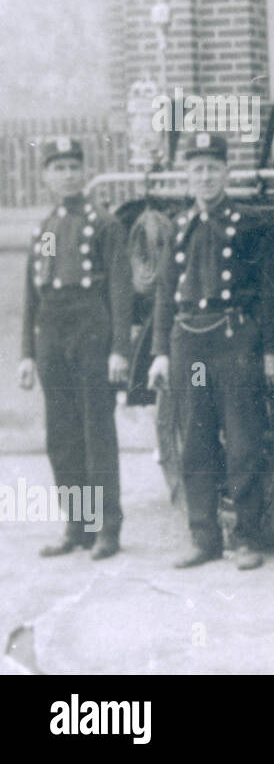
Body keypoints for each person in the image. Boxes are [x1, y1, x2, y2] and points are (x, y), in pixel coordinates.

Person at [146, 133, 274, 570]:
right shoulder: (180, 227)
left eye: (212, 168)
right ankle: (203, 537)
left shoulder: (250, 224)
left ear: (226, 173)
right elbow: (165, 294)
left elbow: (267, 293)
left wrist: (270, 350)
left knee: (243, 440)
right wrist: (159, 353)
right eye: (197, 170)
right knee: (196, 441)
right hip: (190, 343)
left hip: (234, 341)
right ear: (186, 176)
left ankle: (244, 537)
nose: (205, 177)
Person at [18, 137, 130, 560]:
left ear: (84, 172)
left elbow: (119, 291)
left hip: (90, 329)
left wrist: (120, 348)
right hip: (53, 333)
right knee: (61, 435)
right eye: (58, 167)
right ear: (46, 176)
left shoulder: (103, 225)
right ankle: (77, 525)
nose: (66, 174)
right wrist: (27, 352)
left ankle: (106, 528)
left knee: (96, 432)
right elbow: (36, 289)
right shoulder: (46, 229)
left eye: (72, 167)